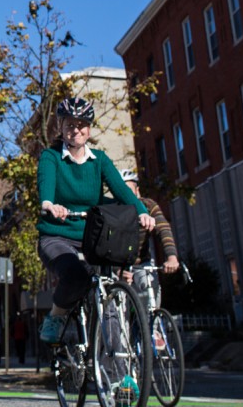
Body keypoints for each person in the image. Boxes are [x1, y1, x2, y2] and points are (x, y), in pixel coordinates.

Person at [37, 97, 154, 346]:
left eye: (81, 124)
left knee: (108, 292)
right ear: (61, 127)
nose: (76, 130)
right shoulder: (51, 157)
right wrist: (49, 204)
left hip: (90, 239)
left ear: (89, 128)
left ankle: (117, 372)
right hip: (56, 235)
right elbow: (45, 185)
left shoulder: (99, 159)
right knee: (76, 276)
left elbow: (121, 190)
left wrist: (142, 211)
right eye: (70, 124)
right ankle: (56, 316)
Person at [118, 169, 180, 306]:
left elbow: (163, 228)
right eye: (122, 190)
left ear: (137, 191)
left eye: (129, 190)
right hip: (117, 266)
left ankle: (153, 325)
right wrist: (117, 270)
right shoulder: (113, 210)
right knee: (118, 310)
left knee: (150, 285)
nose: (126, 194)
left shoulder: (147, 205)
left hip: (142, 263)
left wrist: (171, 257)